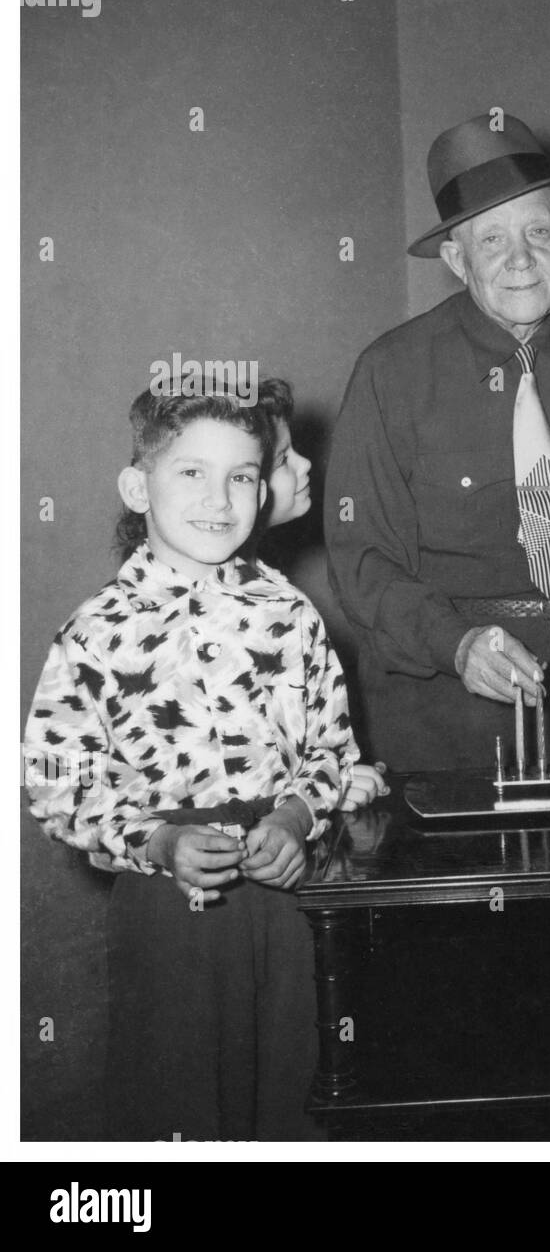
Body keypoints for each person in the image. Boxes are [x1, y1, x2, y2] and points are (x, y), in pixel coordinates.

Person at [24, 385, 360, 1140]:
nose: (220, 498)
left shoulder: (290, 615)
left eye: (242, 475)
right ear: (138, 487)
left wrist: (296, 814)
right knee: (174, 1097)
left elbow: (331, 749)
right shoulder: (95, 633)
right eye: (191, 474)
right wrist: (158, 841)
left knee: (291, 1096)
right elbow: (57, 782)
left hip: (283, 895)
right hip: (163, 910)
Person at [325, 113, 550, 771]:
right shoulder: (390, 373)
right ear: (456, 258)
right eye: (491, 239)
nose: (519, 259)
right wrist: (457, 644)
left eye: (538, 232)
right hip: (448, 712)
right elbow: (363, 560)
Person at [255, 377, 386, 810]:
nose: (306, 464)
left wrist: (326, 782)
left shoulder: (284, 604)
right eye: (283, 459)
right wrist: (318, 794)